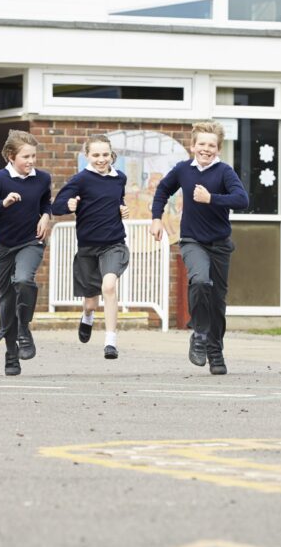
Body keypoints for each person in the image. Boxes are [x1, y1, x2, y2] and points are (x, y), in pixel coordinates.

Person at [150, 121, 249, 375]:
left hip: (220, 245)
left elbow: (242, 199)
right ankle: (200, 334)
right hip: (192, 241)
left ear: (218, 149)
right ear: (193, 146)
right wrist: (156, 218)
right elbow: (163, 190)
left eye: (212, 145)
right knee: (200, 281)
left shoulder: (225, 172)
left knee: (217, 302)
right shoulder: (184, 170)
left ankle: (215, 352)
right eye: (202, 144)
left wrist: (211, 199)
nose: (206, 149)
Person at [0, 130, 51, 376]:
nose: (31, 161)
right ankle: (11, 354)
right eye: (26, 157)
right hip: (5, 246)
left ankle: (24, 329)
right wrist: (2, 203)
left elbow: (45, 202)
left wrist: (47, 216)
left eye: (33, 156)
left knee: (24, 279)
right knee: (6, 298)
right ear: (11, 156)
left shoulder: (42, 178)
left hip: (31, 241)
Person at [52, 134, 130, 359]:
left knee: (109, 286)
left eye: (105, 154)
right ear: (87, 156)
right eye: (96, 155)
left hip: (114, 244)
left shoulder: (119, 178)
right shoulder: (81, 180)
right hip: (88, 247)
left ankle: (110, 342)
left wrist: (122, 209)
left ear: (111, 155)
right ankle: (87, 316)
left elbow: (118, 200)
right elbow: (56, 206)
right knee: (90, 303)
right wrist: (68, 204)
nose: (101, 159)